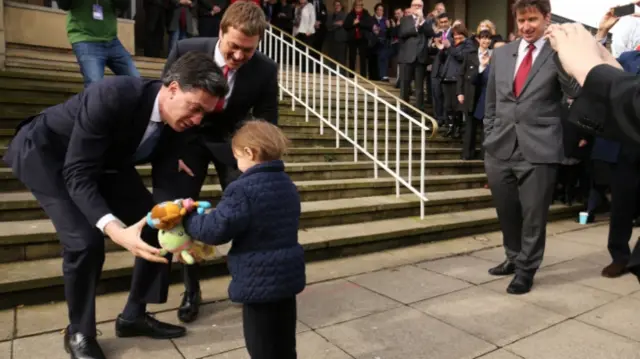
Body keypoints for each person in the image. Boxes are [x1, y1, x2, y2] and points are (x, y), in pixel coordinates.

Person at [2, 52, 229, 359]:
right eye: (196, 109)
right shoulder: (112, 95)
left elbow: (168, 188)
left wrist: (181, 221)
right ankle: (79, 331)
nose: (198, 120)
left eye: (205, 114)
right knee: (84, 241)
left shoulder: (181, 123)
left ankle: (133, 315)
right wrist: (115, 229)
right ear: (172, 88)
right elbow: (77, 173)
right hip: (47, 154)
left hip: (107, 161)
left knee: (156, 225)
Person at [157, 0, 278, 324]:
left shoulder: (265, 69)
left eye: (248, 51)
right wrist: (167, 153)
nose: (238, 57)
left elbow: (267, 120)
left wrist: (254, 160)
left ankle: (246, 280)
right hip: (187, 142)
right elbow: (165, 99)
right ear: (221, 31)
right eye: (234, 47)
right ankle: (190, 290)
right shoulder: (185, 48)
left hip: (231, 145)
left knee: (247, 211)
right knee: (183, 212)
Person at [183, 119, 304, 359]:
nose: (236, 163)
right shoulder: (287, 184)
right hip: (286, 276)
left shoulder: (243, 189)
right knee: (284, 343)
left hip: (258, 280)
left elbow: (216, 229)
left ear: (250, 152)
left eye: (237, 156)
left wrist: (188, 220)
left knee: (261, 346)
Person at [482, 0, 580, 295]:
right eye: (521, 20)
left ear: (546, 18)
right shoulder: (502, 55)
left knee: (534, 216)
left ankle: (527, 269)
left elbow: (574, 91)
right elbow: (491, 102)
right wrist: (489, 136)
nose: (526, 26)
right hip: (500, 147)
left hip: (540, 148)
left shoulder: (558, 53)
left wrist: (562, 55)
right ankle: (513, 257)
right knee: (507, 211)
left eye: (533, 19)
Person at [56, 0, 140, 86]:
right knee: (95, 85)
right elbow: (64, 5)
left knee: (136, 81)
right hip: (85, 40)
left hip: (111, 40)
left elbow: (124, 5)